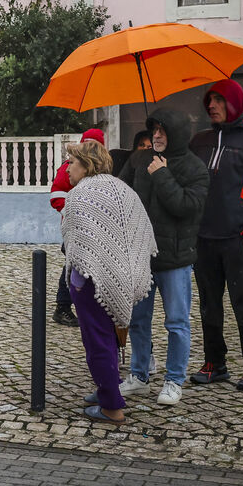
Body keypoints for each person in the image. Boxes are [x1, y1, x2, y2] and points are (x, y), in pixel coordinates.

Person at [188, 79, 243, 391]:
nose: (211, 106)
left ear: (234, 104)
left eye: (218, 101)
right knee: (209, 305)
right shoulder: (199, 141)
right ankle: (216, 363)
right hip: (204, 239)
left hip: (237, 240)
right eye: (209, 101)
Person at [60, 140, 156, 425]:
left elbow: (74, 245)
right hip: (122, 277)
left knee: (98, 342)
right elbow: (142, 233)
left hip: (91, 281)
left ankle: (112, 408)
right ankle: (107, 389)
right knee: (110, 340)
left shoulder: (79, 195)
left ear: (86, 164)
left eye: (72, 162)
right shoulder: (124, 190)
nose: (68, 168)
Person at [118, 109, 208, 406]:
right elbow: (122, 195)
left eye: (162, 130)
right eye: (154, 129)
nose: (156, 135)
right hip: (141, 256)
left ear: (177, 133)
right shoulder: (139, 160)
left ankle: (173, 380)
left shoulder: (195, 169)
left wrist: (163, 174)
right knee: (139, 320)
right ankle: (139, 374)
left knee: (177, 322)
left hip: (175, 259)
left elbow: (185, 207)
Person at [49, 128, 105, 326]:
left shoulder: (102, 171)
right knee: (73, 265)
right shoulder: (68, 167)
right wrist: (74, 212)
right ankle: (63, 306)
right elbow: (56, 196)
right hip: (74, 229)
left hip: (94, 230)